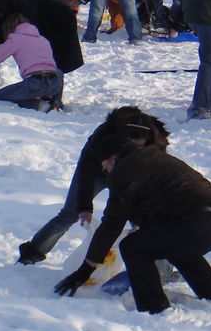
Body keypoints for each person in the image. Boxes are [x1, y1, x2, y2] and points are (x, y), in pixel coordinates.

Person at [54, 136, 211, 314]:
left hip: (197, 223)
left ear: (113, 158)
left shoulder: (125, 172)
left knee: (133, 247)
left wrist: (85, 270)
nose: (105, 171)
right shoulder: (152, 157)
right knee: (175, 248)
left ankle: (153, 308)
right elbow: (161, 200)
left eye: (104, 166)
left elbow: (112, 224)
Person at [17, 106, 170, 265]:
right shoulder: (103, 137)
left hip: (130, 179)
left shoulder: (157, 145)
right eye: (128, 145)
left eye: (138, 147)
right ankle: (32, 253)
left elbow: (151, 180)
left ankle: (162, 269)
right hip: (97, 173)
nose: (132, 150)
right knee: (70, 213)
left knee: (146, 223)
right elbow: (86, 172)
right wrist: (84, 207)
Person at [0, 0, 83, 74]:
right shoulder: (2, 7)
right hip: (44, 20)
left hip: (60, 21)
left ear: (0, 8)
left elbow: (29, 34)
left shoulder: (24, 5)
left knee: (57, 58)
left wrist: (7, 46)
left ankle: (52, 93)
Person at [0, 13, 64, 112]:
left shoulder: (15, 38)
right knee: (56, 72)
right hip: (55, 83)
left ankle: (37, 105)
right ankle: (53, 102)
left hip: (35, 83)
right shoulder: (43, 40)